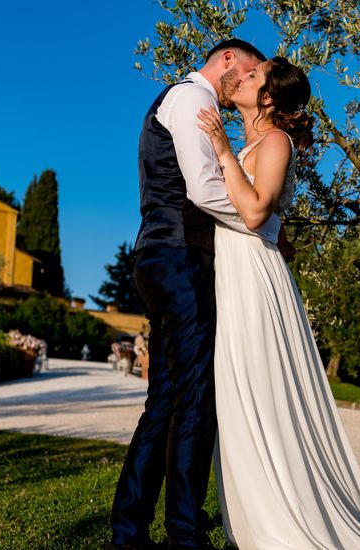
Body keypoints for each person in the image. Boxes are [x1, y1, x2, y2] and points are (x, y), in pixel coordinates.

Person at [197, 57, 360, 549]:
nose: (241, 75)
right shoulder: (253, 143)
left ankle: (287, 515)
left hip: (255, 280)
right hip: (237, 272)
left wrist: (220, 150)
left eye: (254, 75)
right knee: (241, 390)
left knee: (262, 386)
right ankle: (256, 511)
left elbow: (256, 207)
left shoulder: (275, 142)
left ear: (267, 98)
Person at [106, 39, 267, 550]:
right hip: (177, 257)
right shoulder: (193, 99)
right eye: (244, 73)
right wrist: (257, 225)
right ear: (226, 61)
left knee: (168, 400)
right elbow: (200, 189)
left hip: (162, 256)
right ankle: (184, 533)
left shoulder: (180, 100)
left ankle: (129, 532)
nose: (244, 83)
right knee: (194, 398)